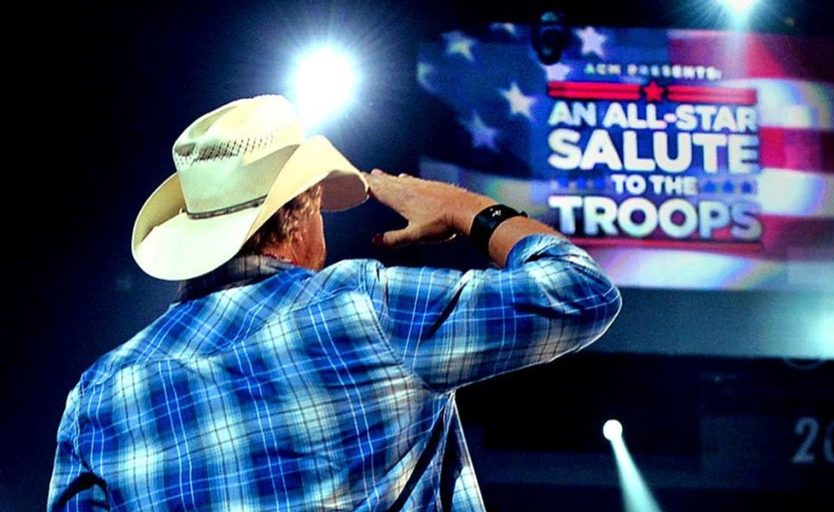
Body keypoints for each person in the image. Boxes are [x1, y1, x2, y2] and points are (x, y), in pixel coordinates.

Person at [47, 95, 622, 510]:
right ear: (304, 212)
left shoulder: (101, 393)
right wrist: (462, 207)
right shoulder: (363, 308)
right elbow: (581, 290)